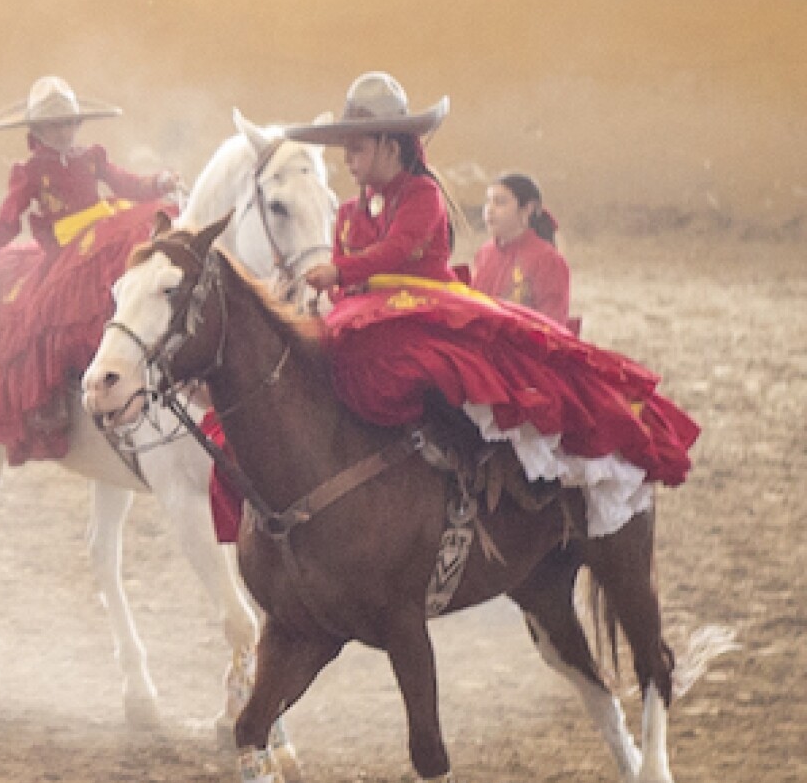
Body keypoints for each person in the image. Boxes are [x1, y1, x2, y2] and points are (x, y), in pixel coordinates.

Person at [283, 73, 693, 534]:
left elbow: (395, 251)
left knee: (423, 365)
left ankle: (468, 463)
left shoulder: (423, 196)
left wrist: (341, 273)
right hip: (369, 315)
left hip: (427, 313)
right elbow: (348, 284)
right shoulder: (346, 213)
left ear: (389, 147)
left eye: (356, 149)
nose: (348, 161)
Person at [0, 76, 179, 464]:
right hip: (67, 248)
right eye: (55, 125)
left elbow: (124, 182)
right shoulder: (29, 172)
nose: (65, 131)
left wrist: (156, 181)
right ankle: (65, 396)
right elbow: (9, 221)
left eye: (70, 123)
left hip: (105, 229)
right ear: (37, 131)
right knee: (49, 315)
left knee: (145, 247)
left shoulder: (91, 157)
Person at [474, 171, 574, 331]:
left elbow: (552, 325)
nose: (489, 210)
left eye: (500, 202)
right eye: (488, 202)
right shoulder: (485, 253)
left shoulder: (547, 259)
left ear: (527, 209)